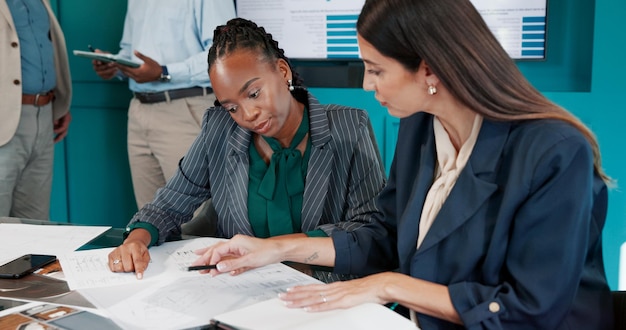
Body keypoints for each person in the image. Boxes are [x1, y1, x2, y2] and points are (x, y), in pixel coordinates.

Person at [194, 0, 615, 328]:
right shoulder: (420, 128)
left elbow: (529, 311)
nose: (366, 84)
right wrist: (275, 248)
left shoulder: (555, 152)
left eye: (375, 69)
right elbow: (385, 233)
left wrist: (389, 285)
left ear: (429, 68)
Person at [107, 18, 387, 283]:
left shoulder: (349, 127)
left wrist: (278, 248)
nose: (248, 114)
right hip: (238, 291)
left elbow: (370, 231)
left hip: (321, 289)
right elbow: (169, 204)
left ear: (282, 71)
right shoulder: (219, 129)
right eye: (231, 107)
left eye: (254, 93)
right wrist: (136, 239)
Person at [92, 0, 236, 209]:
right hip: (139, 111)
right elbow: (130, 51)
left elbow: (224, 51)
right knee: (149, 217)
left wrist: (165, 72)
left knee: (197, 218)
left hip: (185, 109)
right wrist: (116, 64)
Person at [0, 0, 72, 220]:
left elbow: (44, 47)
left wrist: (59, 105)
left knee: (36, 222)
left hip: (44, 115)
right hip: (5, 118)